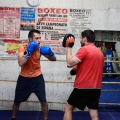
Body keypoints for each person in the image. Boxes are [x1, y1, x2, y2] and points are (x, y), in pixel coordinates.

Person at [11, 29, 56, 120]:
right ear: (30, 39)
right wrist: (29, 51)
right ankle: (13, 117)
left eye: (40, 38)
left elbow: (54, 59)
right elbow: (21, 63)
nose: (39, 40)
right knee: (17, 101)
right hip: (24, 78)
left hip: (37, 77)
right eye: (37, 38)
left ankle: (45, 118)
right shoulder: (22, 47)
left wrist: (50, 53)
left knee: (43, 101)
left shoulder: (40, 48)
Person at [63, 29, 104, 120]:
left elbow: (69, 63)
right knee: (94, 114)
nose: (80, 40)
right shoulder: (100, 52)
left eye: (81, 38)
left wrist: (69, 47)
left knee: (68, 109)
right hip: (96, 88)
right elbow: (89, 67)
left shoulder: (84, 49)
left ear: (85, 39)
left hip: (83, 87)